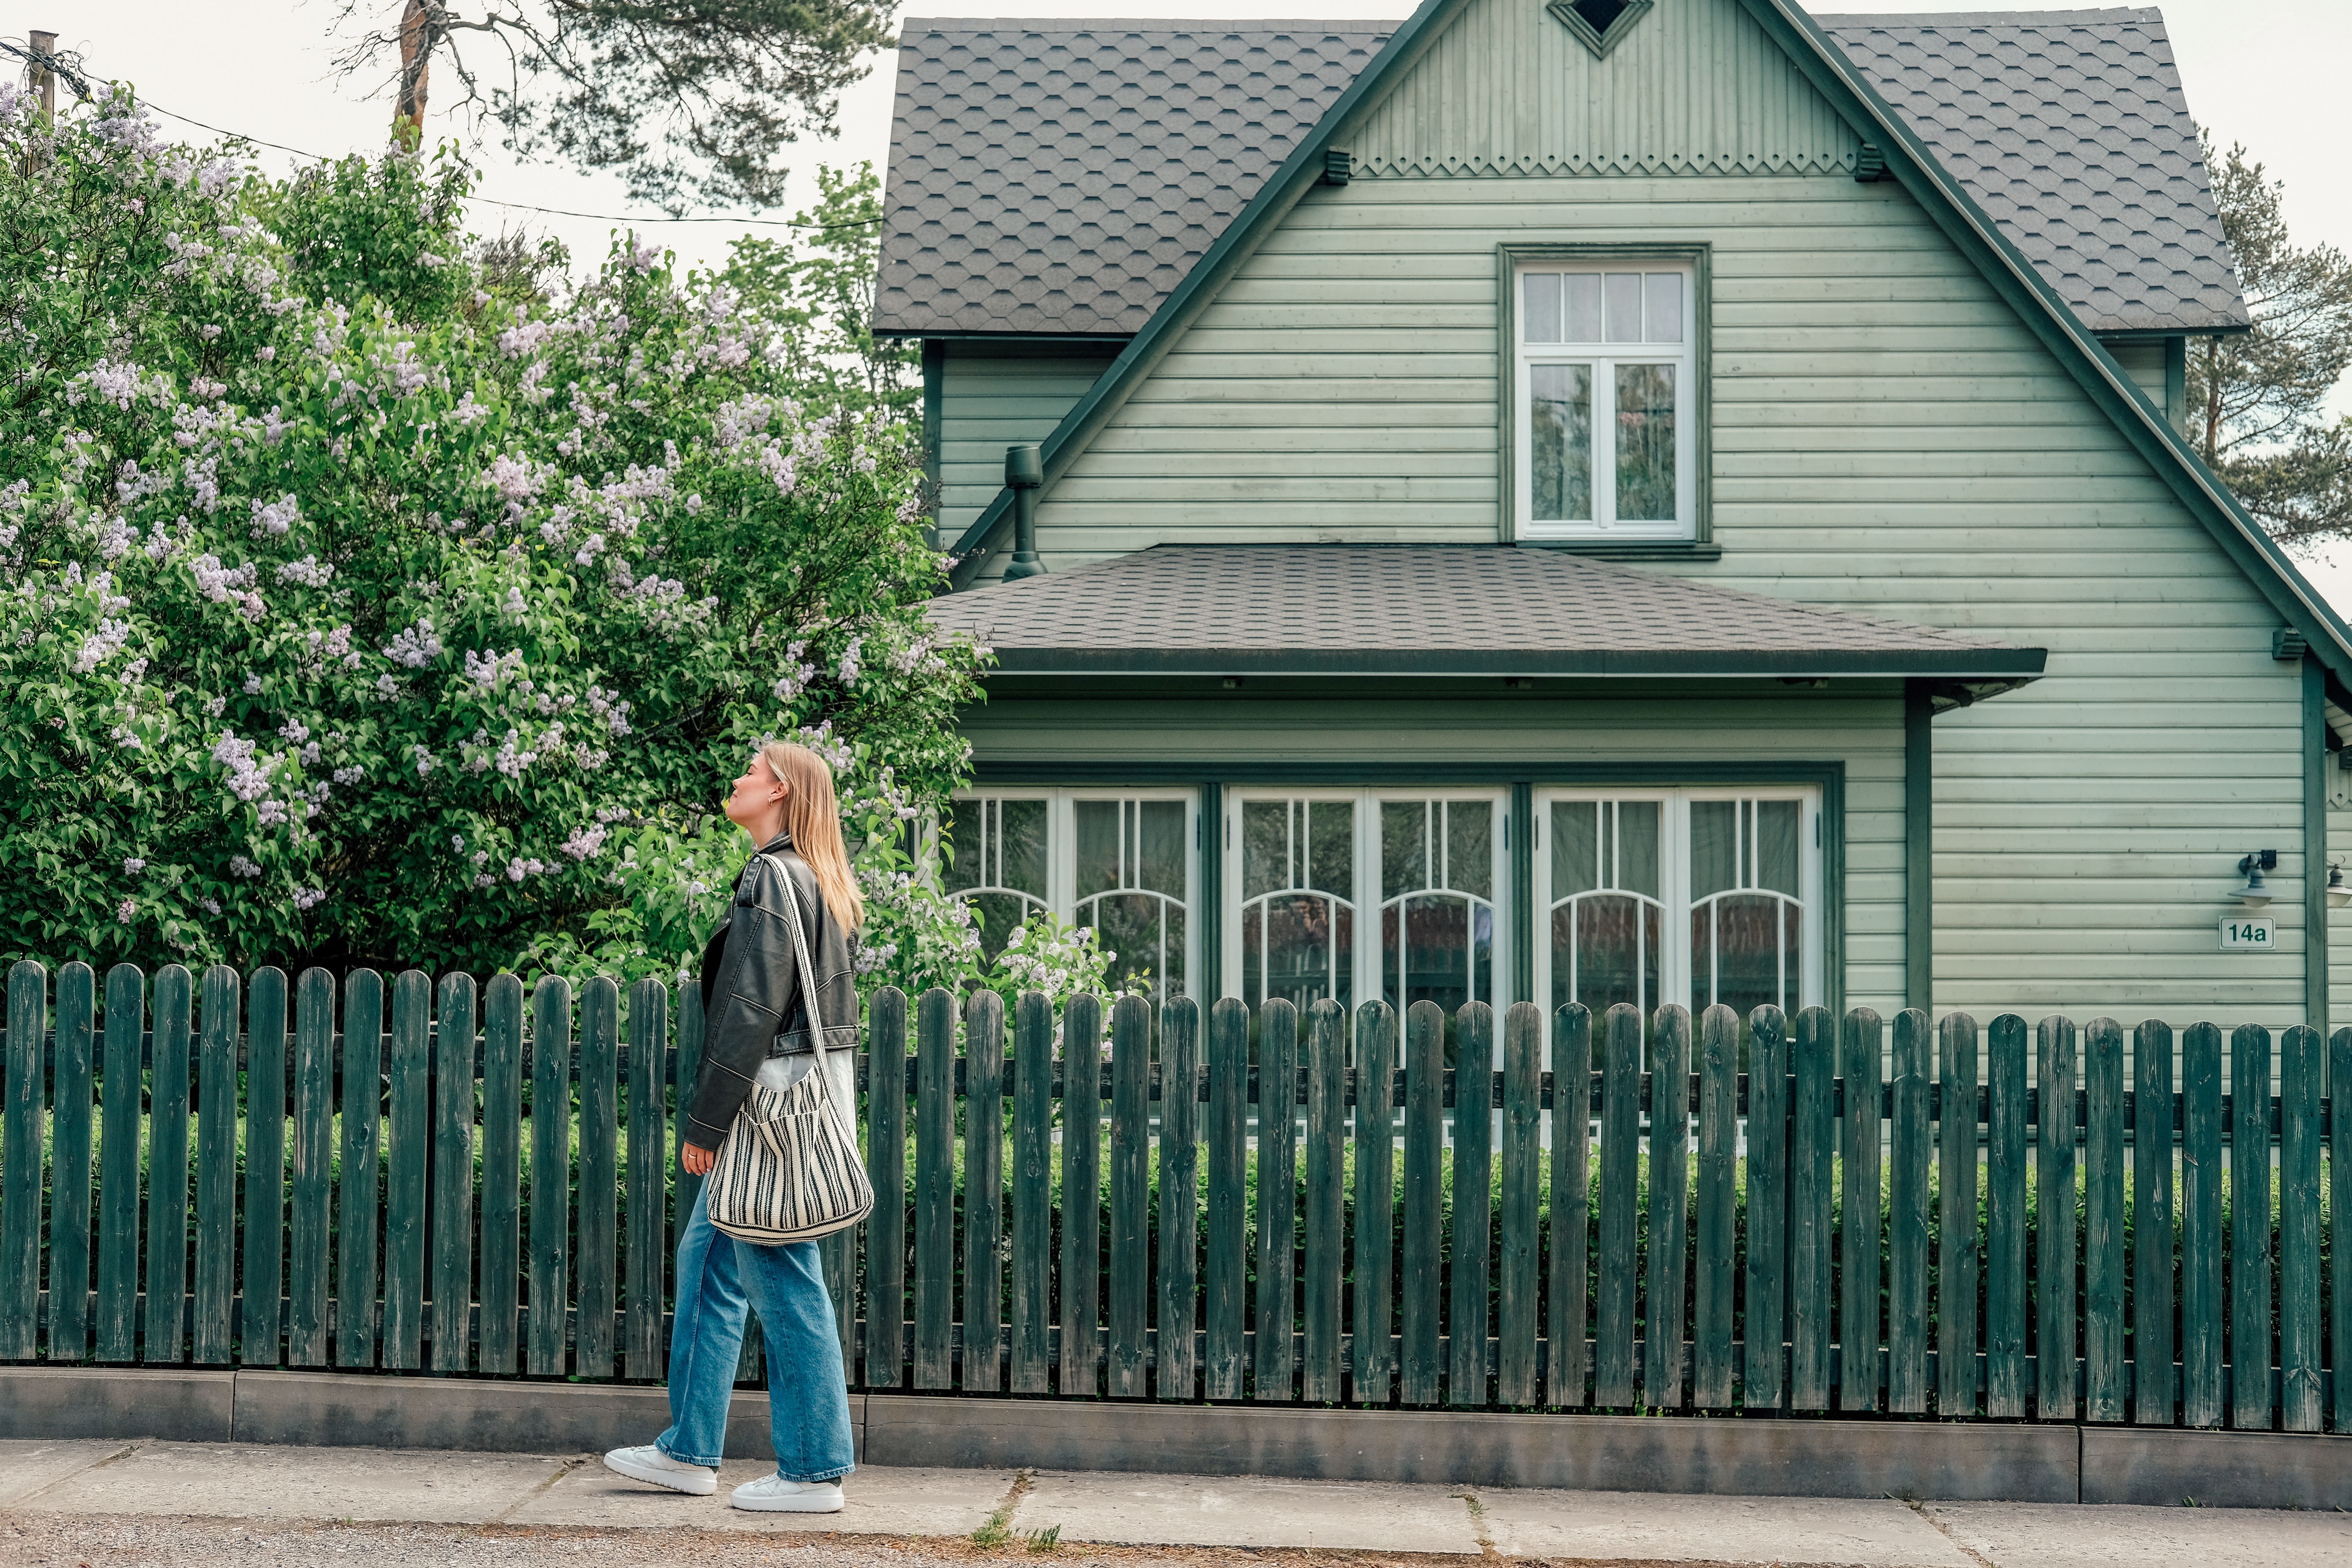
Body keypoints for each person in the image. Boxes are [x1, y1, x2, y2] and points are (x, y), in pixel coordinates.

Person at [603, 740, 864, 1512]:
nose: (739, 778)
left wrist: (707, 1122)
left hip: (761, 1109)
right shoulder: (812, 876)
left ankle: (814, 1469)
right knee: (710, 1262)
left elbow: (750, 1011)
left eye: (752, 769)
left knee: (783, 1277)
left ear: (780, 790)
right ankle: (688, 1450)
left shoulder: (773, 877)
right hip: (786, 1101)